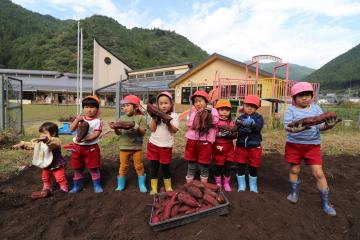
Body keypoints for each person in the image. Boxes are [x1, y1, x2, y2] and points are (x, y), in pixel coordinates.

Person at [284, 82, 340, 216]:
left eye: (308, 95)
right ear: (294, 97)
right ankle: (294, 193)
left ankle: (326, 203)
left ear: (312, 96)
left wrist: (328, 126)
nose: (305, 98)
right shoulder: (291, 110)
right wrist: (294, 129)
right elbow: (287, 127)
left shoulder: (316, 109)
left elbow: (320, 127)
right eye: (301, 95)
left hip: (312, 146)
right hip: (294, 145)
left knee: (319, 173)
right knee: (294, 169)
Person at [12, 122, 68, 197]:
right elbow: (32, 144)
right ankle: (47, 186)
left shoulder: (55, 140)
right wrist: (22, 144)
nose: (42, 135)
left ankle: (63, 187)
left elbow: (55, 143)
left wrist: (46, 139)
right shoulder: (40, 141)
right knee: (45, 177)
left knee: (60, 177)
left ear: (53, 133)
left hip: (57, 163)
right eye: (41, 133)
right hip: (46, 163)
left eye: (44, 133)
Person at [109, 95, 147, 193]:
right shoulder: (122, 117)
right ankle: (120, 185)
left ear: (135, 107)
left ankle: (142, 184)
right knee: (123, 166)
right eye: (124, 106)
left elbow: (143, 133)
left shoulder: (140, 118)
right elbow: (119, 133)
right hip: (124, 147)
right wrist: (115, 128)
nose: (125, 108)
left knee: (138, 166)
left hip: (136, 147)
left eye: (128, 105)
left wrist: (136, 127)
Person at [69, 95, 104, 193]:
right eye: (86, 107)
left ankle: (97, 185)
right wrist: (77, 120)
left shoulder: (98, 121)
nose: (89, 110)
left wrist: (86, 139)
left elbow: (96, 134)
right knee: (77, 167)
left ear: (97, 109)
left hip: (91, 148)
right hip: (77, 147)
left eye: (92, 107)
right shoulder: (80, 119)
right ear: (83, 108)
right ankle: (77, 185)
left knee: (93, 167)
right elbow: (71, 129)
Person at [147, 92, 179, 195]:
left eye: (166, 103)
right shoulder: (155, 115)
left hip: (166, 146)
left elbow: (174, 130)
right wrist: (155, 118)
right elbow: (152, 129)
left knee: (165, 167)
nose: (163, 105)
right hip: (153, 145)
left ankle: (168, 187)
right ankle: (154, 188)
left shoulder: (174, 115)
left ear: (171, 104)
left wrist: (168, 123)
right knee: (154, 167)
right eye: (161, 103)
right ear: (157, 105)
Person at [184, 90, 219, 183]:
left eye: (200, 101)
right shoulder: (194, 112)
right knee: (191, 162)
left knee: (204, 163)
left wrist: (207, 115)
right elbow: (190, 125)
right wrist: (198, 122)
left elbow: (215, 121)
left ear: (206, 102)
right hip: (192, 140)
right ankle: (189, 183)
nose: (198, 103)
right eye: (195, 101)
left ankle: (204, 184)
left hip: (205, 141)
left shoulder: (212, 111)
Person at [234, 95, 264, 193]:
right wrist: (247, 128)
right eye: (248, 106)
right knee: (240, 165)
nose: (250, 108)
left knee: (253, 166)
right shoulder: (240, 118)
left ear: (256, 108)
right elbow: (238, 129)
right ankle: (242, 185)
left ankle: (253, 186)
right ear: (244, 106)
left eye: (253, 106)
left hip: (254, 146)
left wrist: (252, 124)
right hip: (241, 146)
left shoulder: (259, 118)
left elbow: (258, 127)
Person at [212, 99, 236, 191]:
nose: (225, 112)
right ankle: (218, 183)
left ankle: (226, 183)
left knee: (228, 166)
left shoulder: (231, 122)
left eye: (227, 110)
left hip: (229, 147)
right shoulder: (215, 122)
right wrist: (219, 134)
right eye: (222, 110)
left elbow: (234, 133)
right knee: (218, 165)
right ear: (217, 110)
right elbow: (212, 133)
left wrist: (232, 134)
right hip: (218, 147)